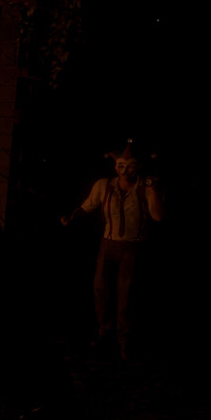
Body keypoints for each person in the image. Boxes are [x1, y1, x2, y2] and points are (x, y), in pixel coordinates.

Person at [64, 141, 164, 360]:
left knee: (126, 293)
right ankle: (104, 332)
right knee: (101, 289)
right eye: (121, 166)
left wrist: (153, 189)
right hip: (108, 244)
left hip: (133, 246)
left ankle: (125, 339)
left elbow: (158, 216)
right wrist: (72, 216)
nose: (125, 171)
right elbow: (88, 205)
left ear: (138, 167)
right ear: (115, 167)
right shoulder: (104, 186)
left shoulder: (145, 187)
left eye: (130, 166)